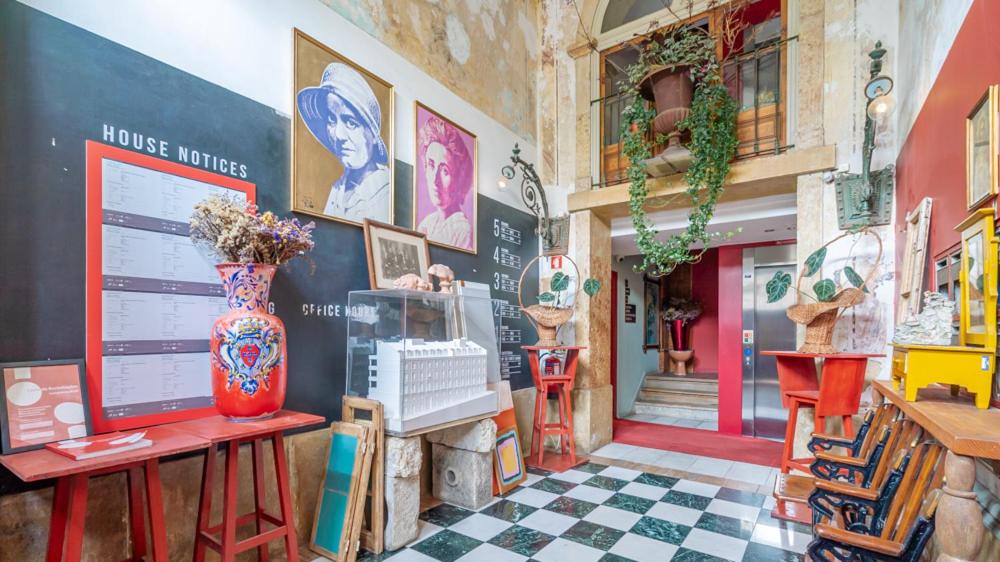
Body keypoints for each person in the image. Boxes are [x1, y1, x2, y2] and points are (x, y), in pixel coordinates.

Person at [297, 62, 390, 223]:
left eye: (351, 122)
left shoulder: (385, 190)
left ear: (373, 136)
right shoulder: (338, 189)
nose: (339, 135)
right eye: (332, 120)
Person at [416, 115, 473, 249]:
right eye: (431, 165)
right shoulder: (427, 223)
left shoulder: (462, 230)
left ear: (458, 180)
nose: (435, 180)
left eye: (444, 171)